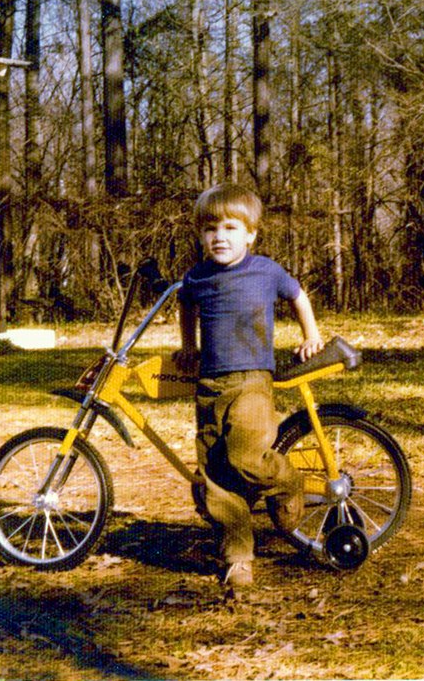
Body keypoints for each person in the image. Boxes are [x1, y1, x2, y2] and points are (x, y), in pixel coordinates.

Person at [175, 183, 324, 590]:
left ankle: (288, 482)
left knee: (245, 456)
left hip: (253, 381)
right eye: (209, 229)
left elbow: (298, 296)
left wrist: (311, 334)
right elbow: (185, 304)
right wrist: (188, 345)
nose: (219, 237)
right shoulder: (198, 276)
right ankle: (238, 556)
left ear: (251, 233)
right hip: (209, 384)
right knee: (217, 475)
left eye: (229, 228)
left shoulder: (266, 270)